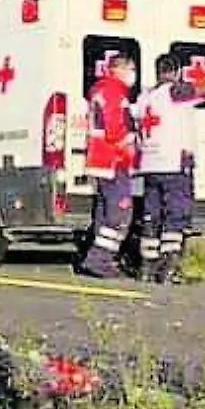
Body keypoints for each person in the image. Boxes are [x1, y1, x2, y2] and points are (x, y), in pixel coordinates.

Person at [131, 48, 205, 283]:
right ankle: (169, 268)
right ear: (175, 73)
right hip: (174, 164)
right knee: (176, 216)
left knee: (151, 216)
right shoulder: (175, 92)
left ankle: (146, 267)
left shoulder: (145, 98)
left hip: (150, 165)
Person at [76, 52, 138, 278]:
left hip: (100, 160)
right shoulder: (113, 91)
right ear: (119, 69)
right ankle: (99, 259)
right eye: (130, 69)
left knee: (104, 211)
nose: (133, 75)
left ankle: (96, 258)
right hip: (113, 159)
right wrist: (129, 146)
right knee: (119, 213)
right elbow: (115, 129)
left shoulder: (100, 90)